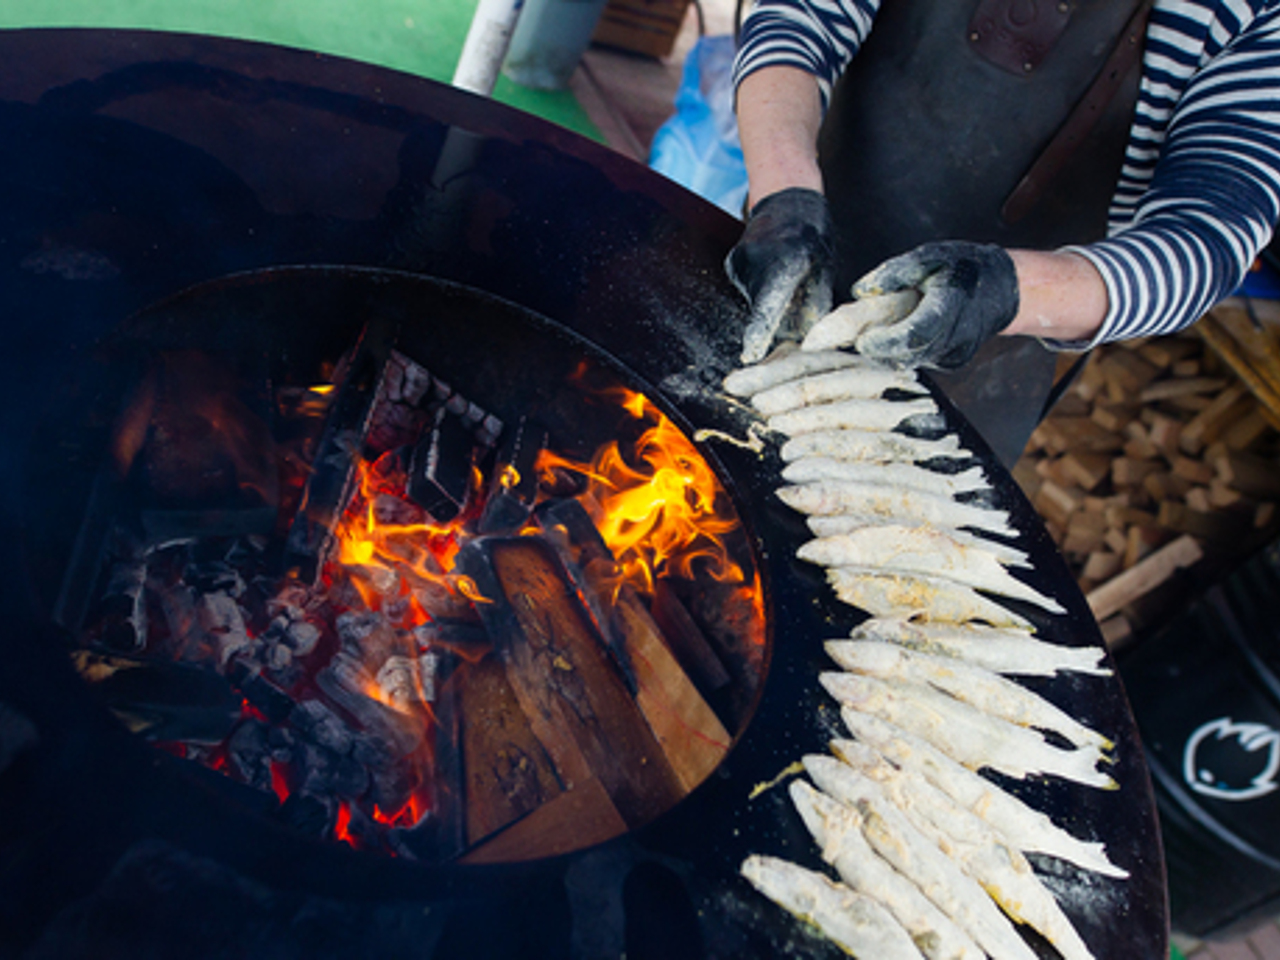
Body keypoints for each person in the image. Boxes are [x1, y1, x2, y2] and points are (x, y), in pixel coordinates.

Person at [724, 0, 1280, 388]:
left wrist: (1004, 291)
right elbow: (800, 18)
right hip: (787, 257)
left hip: (991, 355)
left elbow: (1207, 239)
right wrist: (784, 197)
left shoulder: (1252, 13)